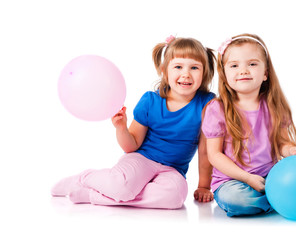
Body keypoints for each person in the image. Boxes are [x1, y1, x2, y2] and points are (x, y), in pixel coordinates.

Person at [52, 35, 216, 209]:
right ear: (164, 70)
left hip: (173, 170)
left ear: (204, 72)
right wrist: (121, 128)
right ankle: (84, 178)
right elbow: (131, 146)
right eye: (178, 66)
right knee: (120, 186)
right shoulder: (150, 101)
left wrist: (204, 186)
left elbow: (206, 150)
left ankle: (92, 195)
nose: (186, 74)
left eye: (194, 68)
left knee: (174, 197)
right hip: (141, 159)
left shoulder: (207, 105)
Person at [201, 33, 296, 217]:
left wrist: (292, 151)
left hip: (270, 178)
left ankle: (280, 196)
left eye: (252, 64)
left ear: (265, 73)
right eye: (234, 65)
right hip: (231, 181)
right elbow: (215, 155)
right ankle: (283, 200)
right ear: (224, 75)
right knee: (237, 199)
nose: (243, 70)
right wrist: (247, 178)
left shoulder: (273, 105)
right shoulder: (217, 108)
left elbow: (282, 143)